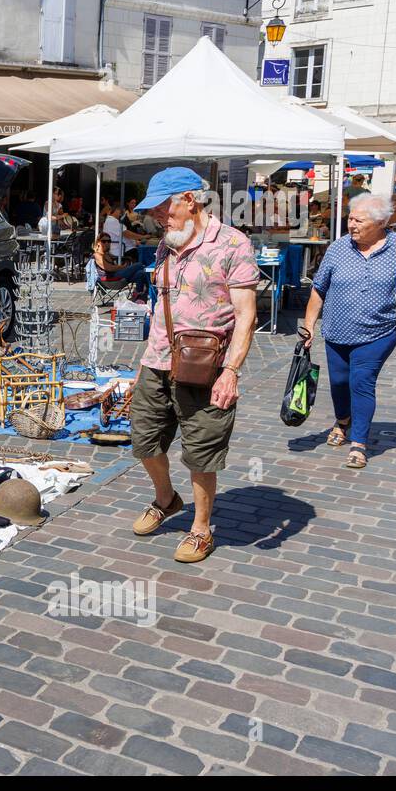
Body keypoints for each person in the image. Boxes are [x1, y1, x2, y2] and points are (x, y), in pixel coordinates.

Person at [127, 168, 259, 564]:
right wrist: (142, 365)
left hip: (207, 366)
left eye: (165, 206)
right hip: (158, 361)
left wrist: (231, 372)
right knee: (143, 438)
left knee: (202, 452)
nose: (157, 216)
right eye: (155, 210)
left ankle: (201, 528)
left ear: (190, 199)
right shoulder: (167, 244)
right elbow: (160, 308)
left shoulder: (233, 244)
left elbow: (246, 316)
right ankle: (166, 499)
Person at [301, 194, 396, 470]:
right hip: (336, 330)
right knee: (339, 383)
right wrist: (309, 324)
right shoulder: (337, 248)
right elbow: (319, 288)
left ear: (381, 222)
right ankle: (342, 419)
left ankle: (359, 443)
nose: (351, 224)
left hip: (378, 333)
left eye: (359, 220)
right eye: (350, 218)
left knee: (362, 381)